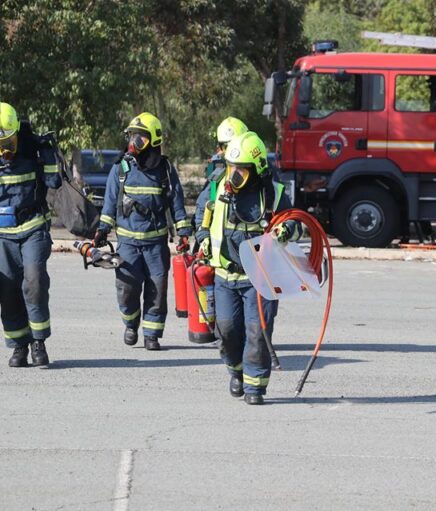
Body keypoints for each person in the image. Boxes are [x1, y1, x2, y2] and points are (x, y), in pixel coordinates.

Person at [193, 131, 301, 405]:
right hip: (225, 275)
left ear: (257, 169)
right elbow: (202, 215)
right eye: (231, 168)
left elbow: (295, 223)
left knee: (257, 332)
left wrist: (286, 231)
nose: (234, 175)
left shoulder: (273, 194)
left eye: (241, 170)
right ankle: (236, 372)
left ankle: (255, 387)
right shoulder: (218, 185)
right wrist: (203, 238)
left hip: (260, 279)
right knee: (227, 330)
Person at [0, 101, 62, 367]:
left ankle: (38, 341)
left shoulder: (34, 148)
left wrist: (49, 153)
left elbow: (54, 181)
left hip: (33, 228)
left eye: (9, 139)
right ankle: (19, 346)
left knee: (34, 281)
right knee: (8, 290)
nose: (5, 146)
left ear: (17, 131)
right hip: (2, 234)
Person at [94, 112, 192, 350]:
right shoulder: (121, 168)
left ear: (153, 140)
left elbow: (176, 203)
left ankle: (152, 335)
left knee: (157, 290)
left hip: (156, 244)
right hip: (127, 244)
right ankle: (131, 324)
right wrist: (102, 229)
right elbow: (109, 202)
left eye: (140, 138)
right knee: (126, 288)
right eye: (132, 137)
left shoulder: (165, 170)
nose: (134, 143)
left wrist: (183, 232)